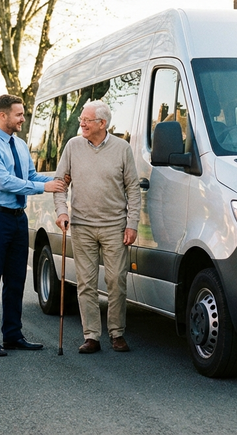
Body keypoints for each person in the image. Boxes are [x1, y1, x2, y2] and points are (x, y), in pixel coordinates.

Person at [0, 94, 67, 357]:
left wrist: (56, 181)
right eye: (19, 114)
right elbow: (4, 182)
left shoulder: (21, 145)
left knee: (16, 279)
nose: (23, 118)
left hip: (17, 218)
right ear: (2, 116)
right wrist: (43, 187)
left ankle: (13, 335)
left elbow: (29, 176)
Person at [54, 100, 141, 354]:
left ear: (102, 124)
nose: (81, 122)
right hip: (82, 226)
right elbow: (60, 183)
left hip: (114, 226)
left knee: (116, 280)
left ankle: (117, 333)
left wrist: (131, 223)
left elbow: (133, 189)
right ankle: (91, 335)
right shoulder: (73, 146)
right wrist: (62, 211)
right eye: (82, 118)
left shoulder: (122, 149)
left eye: (87, 119)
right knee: (86, 283)